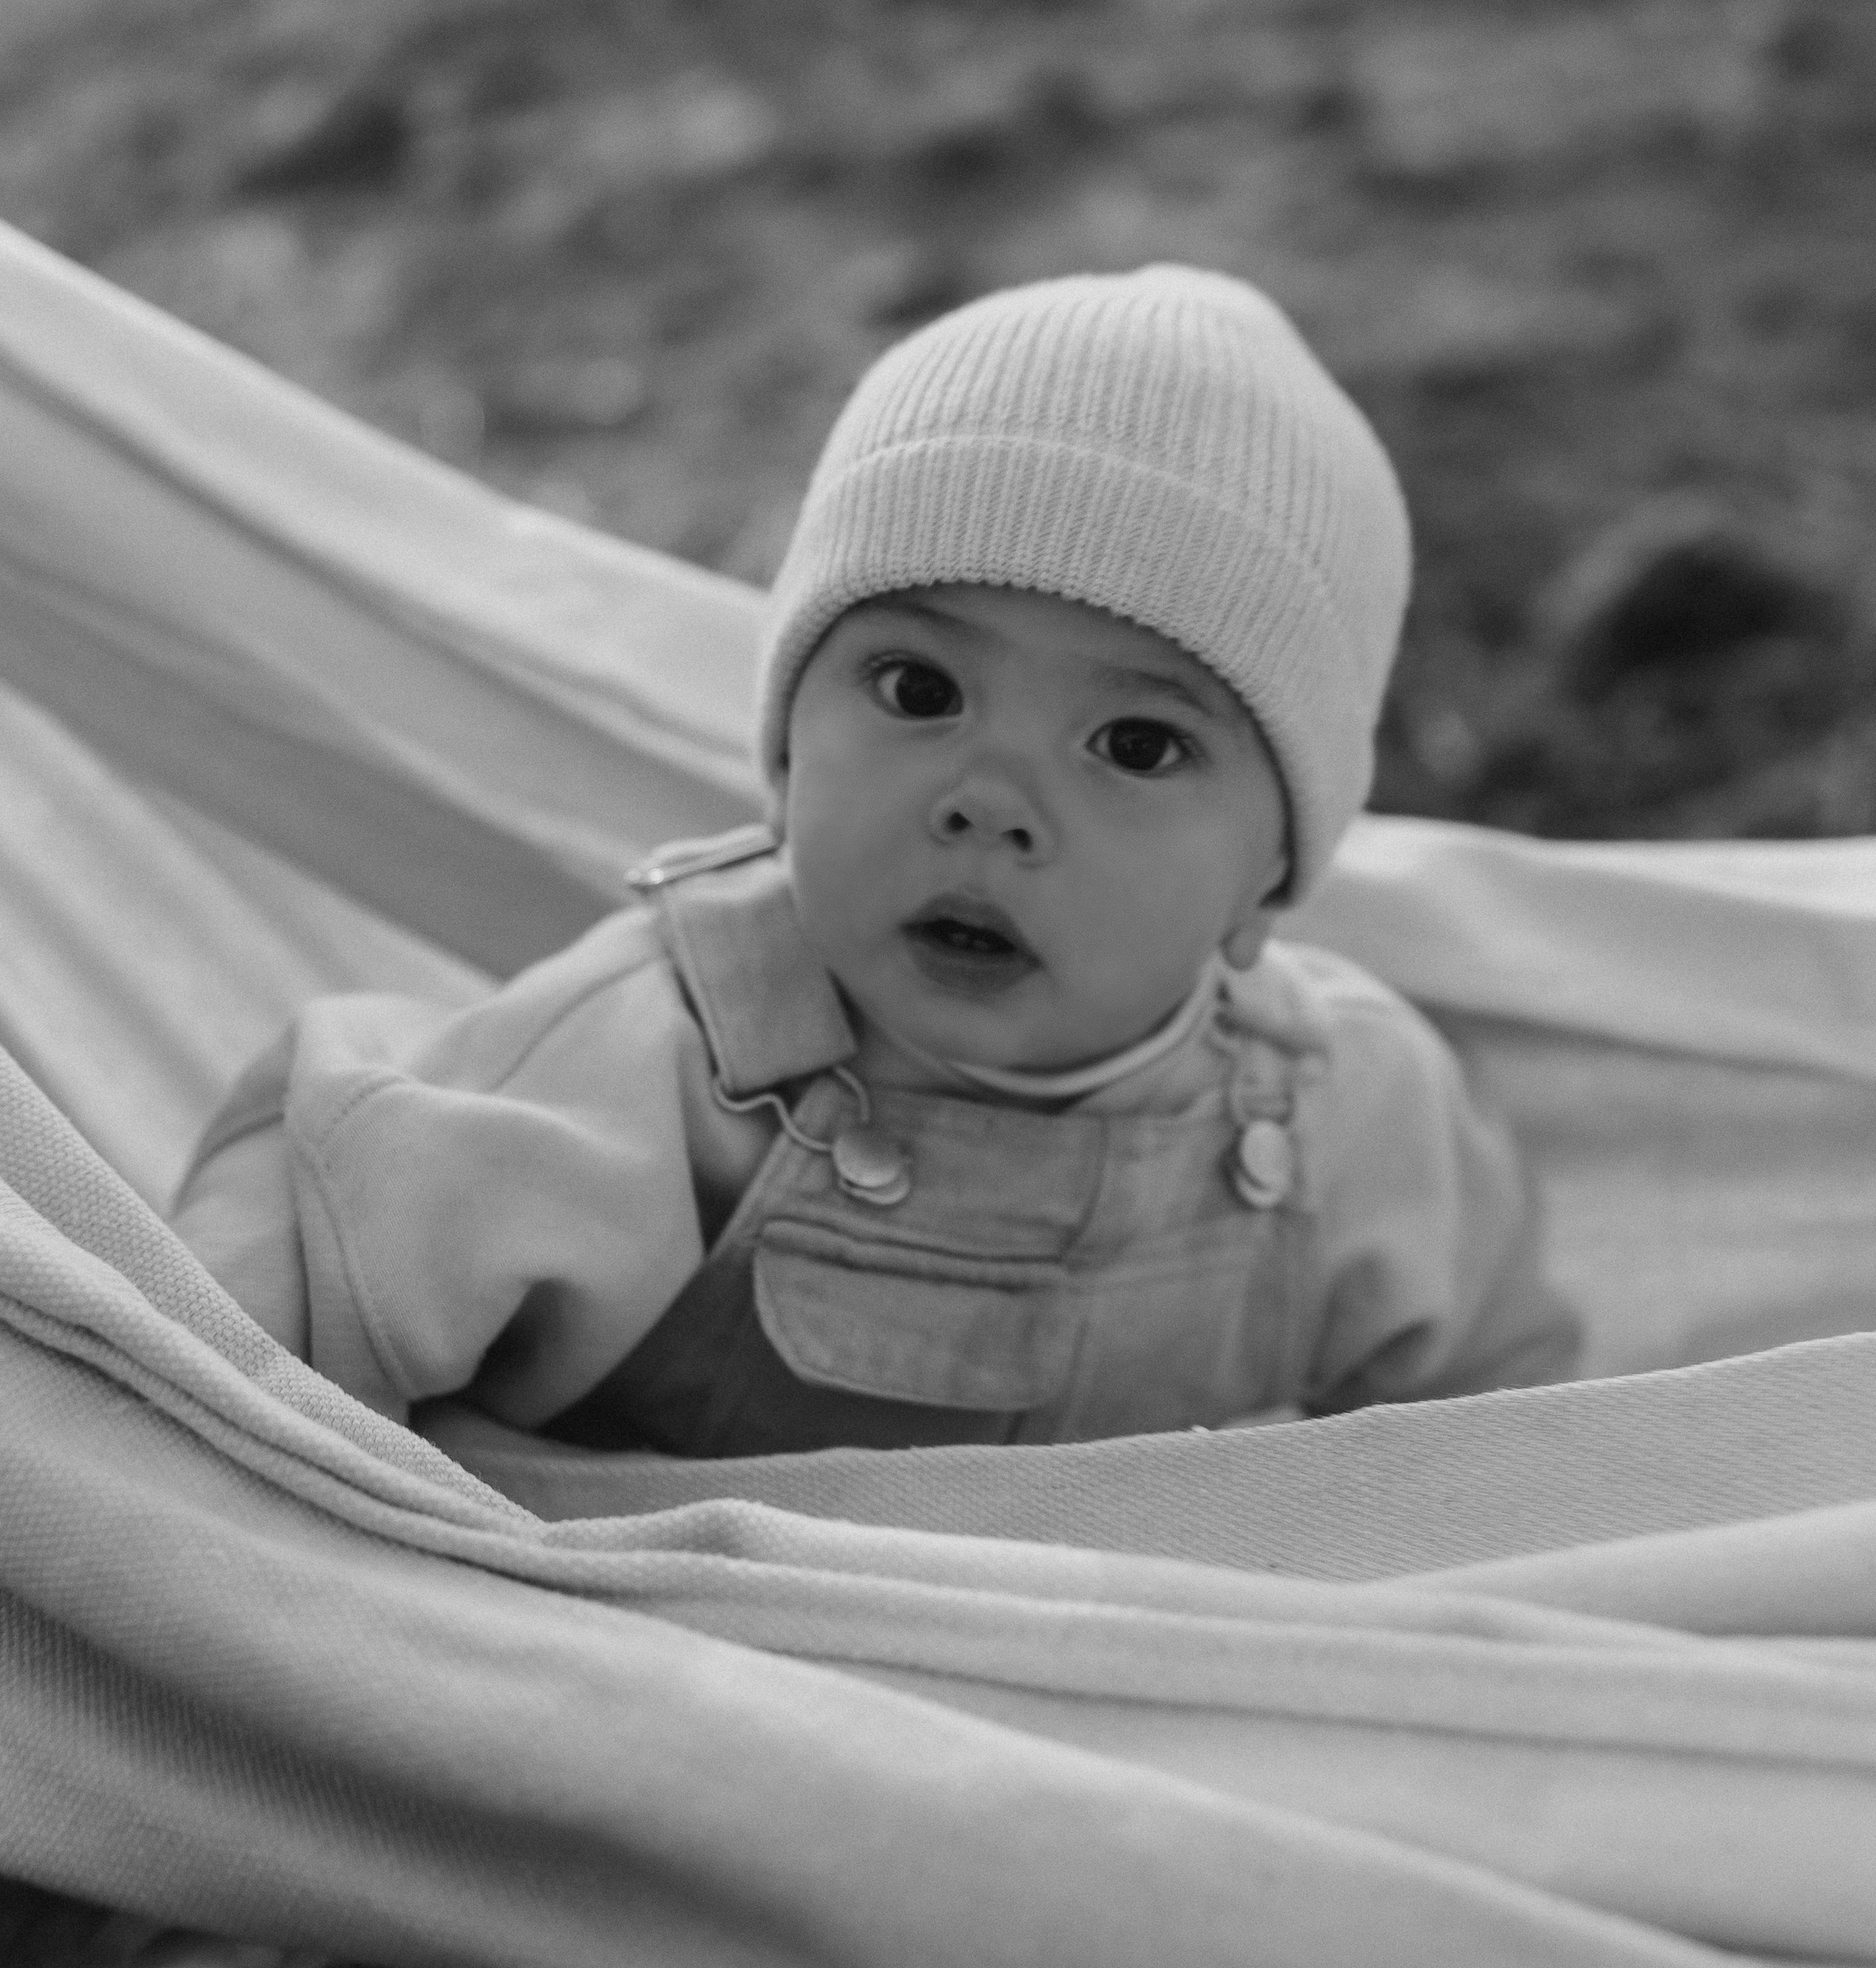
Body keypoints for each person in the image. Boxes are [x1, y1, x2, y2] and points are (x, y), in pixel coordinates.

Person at [171, 265, 1578, 1452]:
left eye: (1137, 747)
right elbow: (316, 1215)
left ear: (1271, 880)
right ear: (785, 755)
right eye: (917, 691)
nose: (990, 805)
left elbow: (1508, 1445)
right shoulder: (655, 1068)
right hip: (707, 1705)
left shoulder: (1353, 1112)